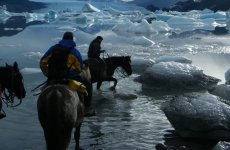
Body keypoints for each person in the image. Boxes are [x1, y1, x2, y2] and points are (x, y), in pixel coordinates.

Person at [40, 31, 95, 116]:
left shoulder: (53, 48)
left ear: (62, 39)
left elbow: (43, 62)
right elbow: (79, 68)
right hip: (70, 77)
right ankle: (87, 108)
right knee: (88, 85)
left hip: (54, 77)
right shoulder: (74, 51)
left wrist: (48, 74)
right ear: (72, 39)